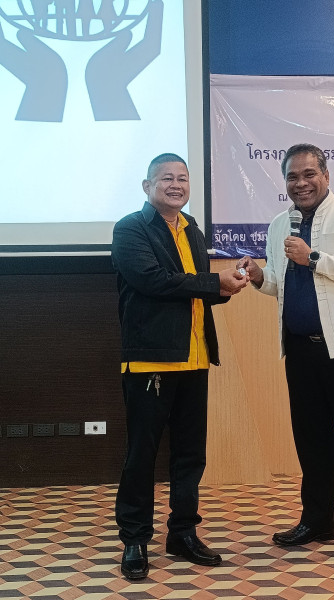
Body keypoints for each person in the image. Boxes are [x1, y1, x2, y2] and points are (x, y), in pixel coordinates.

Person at [237, 143, 334, 571]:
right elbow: (279, 285)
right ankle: (318, 521)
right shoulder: (279, 224)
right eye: (292, 176)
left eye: (308, 174)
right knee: (313, 443)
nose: (300, 183)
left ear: (326, 175)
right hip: (301, 350)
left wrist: (314, 257)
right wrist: (261, 277)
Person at [112, 153, 248, 580]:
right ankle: (135, 539)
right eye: (166, 178)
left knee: (190, 454)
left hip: (195, 357)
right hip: (151, 359)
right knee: (142, 454)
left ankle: (183, 533)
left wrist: (226, 287)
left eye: (183, 178)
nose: (176, 185)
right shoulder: (130, 228)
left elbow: (192, 292)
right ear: (147, 186)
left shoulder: (192, 230)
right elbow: (151, 280)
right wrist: (212, 283)